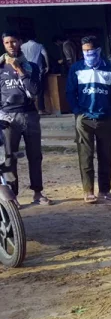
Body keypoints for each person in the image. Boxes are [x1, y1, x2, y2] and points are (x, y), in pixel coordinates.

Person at [66, 35, 111, 204]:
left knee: (105, 155)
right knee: (85, 155)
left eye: (91, 50)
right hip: (84, 118)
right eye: (85, 51)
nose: (88, 54)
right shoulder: (76, 69)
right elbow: (70, 92)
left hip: (105, 118)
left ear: (99, 51)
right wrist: (77, 111)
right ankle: (88, 191)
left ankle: (105, 190)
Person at [0, 31, 51, 205]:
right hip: (8, 117)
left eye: (13, 42)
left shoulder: (31, 67)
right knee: (9, 157)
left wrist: (19, 69)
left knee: (35, 155)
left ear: (20, 42)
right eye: (7, 42)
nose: (11, 45)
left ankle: (38, 193)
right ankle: (12, 197)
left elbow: (35, 91)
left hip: (29, 115)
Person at [20, 36, 49, 114]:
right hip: (37, 69)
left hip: (25, 69)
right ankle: (41, 109)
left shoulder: (22, 46)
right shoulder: (39, 45)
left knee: (25, 88)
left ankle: (27, 108)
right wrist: (47, 66)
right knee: (39, 89)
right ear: (35, 38)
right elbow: (45, 54)